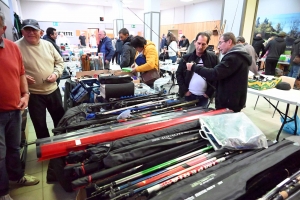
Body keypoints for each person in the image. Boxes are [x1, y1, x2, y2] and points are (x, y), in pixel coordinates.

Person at [0, 12, 39, 200]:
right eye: (27, 31)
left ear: (3, 29)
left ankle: (16, 177)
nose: (31, 33)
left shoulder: (11, 48)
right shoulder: (18, 45)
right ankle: (3, 192)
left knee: (14, 148)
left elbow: (21, 73)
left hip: (14, 109)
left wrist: (25, 94)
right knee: (0, 155)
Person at [15, 19, 65, 139]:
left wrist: (56, 74)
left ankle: (62, 147)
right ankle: (46, 151)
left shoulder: (48, 45)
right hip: (34, 94)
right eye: (27, 29)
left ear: (40, 32)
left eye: (34, 30)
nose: (31, 32)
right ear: (22, 31)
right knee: (40, 125)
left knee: (61, 122)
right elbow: (11, 70)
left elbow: (59, 62)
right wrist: (22, 77)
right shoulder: (15, 47)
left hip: (53, 91)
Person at [186, 32, 252, 112]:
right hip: (231, 101)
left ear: (229, 42)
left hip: (229, 103)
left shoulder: (234, 58)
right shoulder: (236, 56)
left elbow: (214, 74)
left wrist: (193, 67)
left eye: (220, 43)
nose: (218, 46)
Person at [176, 32, 219, 107]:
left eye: (203, 44)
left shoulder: (213, 58)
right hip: (188, 95)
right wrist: (185, 90)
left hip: (203, 97)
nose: (200, 46)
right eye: (198, 43)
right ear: (195, 43)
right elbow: (179, 74)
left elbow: (217, 77)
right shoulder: (186, 57)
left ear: (207, 45)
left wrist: (209, 93)